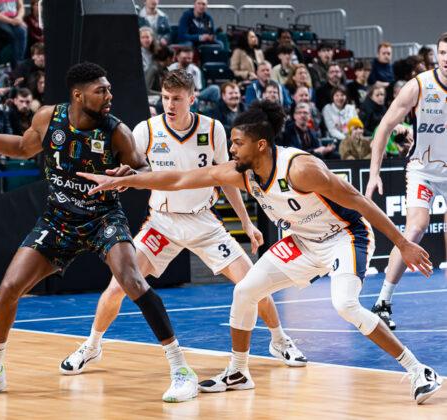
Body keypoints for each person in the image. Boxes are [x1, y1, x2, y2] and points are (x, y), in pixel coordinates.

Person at [79, 100, 442, 405]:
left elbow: (360, 201)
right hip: (301, 239)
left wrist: (403, 243)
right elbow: (177, 179)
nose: (231, 149)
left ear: (261, 145)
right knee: (245, 290)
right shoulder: (243, 172)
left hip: (343, 237)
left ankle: (418, 370)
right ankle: (238, 371)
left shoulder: (301, 169)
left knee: (345, 305)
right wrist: (124, 180)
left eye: (237, 143)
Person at [0, 62, 198, 403]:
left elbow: (143, 165)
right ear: (79, 95)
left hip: (102, 217)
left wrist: (131, 173)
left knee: (133, 281)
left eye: (109, 88)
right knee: (8, 287)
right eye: (101, 90)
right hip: (58, 219)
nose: (109, 95)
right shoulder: (49, 118)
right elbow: (23, 147)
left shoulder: (116, 131)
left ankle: (182, 370)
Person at [61, 70, 307, 377]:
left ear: (192, 99)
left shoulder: (213, 129)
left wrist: (246, 222)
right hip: (162, 223)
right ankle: (92, 346)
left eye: (176, 98)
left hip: (204, 222)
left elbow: (227, 178)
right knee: (117, 287)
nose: (170, 104)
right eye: (165, 97)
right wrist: (125, 177)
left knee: (253, 284)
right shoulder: (146, 130)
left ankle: (279, 340)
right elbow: (135, 168)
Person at [366, 34, 447, 331]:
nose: (446, 59)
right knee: (414, 228)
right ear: (436, 55)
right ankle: (383, 301)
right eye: (442, 53)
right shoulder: (420, 86)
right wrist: (374, 173)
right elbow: (385, 126)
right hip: (423, 169)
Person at [0, 0, 27, 67]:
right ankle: (10, 64)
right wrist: (11, 21)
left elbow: (21, 7)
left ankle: (19, 63)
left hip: (15, 19)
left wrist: (18, 18)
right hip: (1, 20)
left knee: (22, 31)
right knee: (10, 35)